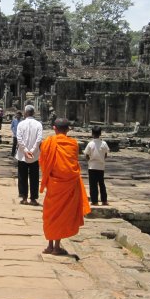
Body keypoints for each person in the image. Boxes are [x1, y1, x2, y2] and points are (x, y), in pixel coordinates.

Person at [39, 118, 91, 255]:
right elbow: (73, 165)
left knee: (51, 214)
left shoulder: (47, 143)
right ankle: (56, 247)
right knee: (63, 215)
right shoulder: (73, 144)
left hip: (53, 184)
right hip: (68, 184)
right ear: (68, 129)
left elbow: (44, 163)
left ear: (54, 128)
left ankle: (50, 245)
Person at [16, 105, 43, 206]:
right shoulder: (38, 125)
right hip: (35, 155)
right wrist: (32, 150)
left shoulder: (21, 124)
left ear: (25, 113)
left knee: (22, 176)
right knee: (34, 177)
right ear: (33, 113)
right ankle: (33, 198)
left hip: (22, 155)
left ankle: (23, 197)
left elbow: (19, 139)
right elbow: (39, 139)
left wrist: (26, 151)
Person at [84, 126, 110, 206]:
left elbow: (86, 154)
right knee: (101, 183)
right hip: (101, 167)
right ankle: (104, 200)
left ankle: (94, 200)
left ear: (92, 134)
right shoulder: (104, 143)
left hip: (92, 166)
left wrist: (90, 160)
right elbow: (106, 154)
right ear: (100, 134)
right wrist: (102, 159)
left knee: (93, 184)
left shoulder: (90, 144)